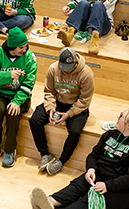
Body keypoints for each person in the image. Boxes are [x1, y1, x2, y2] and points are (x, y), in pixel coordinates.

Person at [30, 109, 129, 209]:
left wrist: (108, 186)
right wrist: (91, 169)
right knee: (78, 185)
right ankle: (50, 202)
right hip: (103, 176)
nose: (118, 116)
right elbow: (93, 155)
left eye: (121, 116)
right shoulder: (110, 135)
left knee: (91, 200)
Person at [29, 47, 94, 176]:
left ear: (75, 62)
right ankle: (45, 154)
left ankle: (62, 161)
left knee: (75, 131)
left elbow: (85, 99)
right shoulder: (53, 68)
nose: (64, 70)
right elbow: (49, 91)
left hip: (76, 107)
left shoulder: (86, 73)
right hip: (57, 103)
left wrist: (69, 114)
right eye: (63, 66)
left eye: (68, 67)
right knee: (34, 120)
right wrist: (50, 108)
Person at [0, 26, 37, 168]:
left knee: (13, 113)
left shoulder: (29, 57)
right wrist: (8, 76)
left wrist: (17, 101)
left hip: (20, 96)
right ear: (12, 46)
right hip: (0, 93)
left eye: (26, 46)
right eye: (21, 47)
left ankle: (9, 150)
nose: (24, 50)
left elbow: (29, 83)